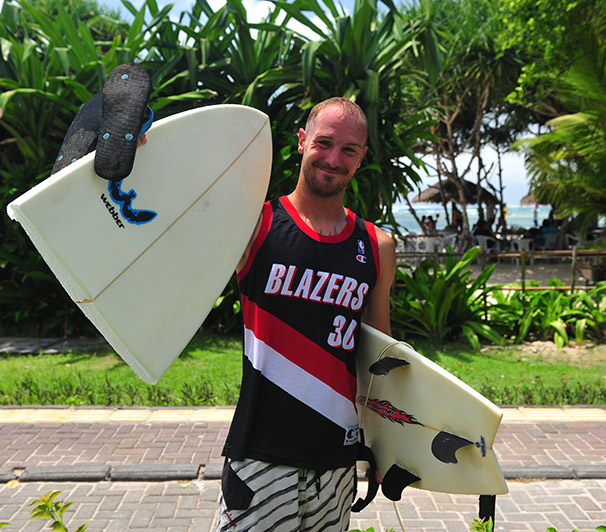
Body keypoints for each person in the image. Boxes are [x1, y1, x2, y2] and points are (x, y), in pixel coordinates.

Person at [216, 97, 396, 531]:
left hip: (336, 461)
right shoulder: (255, 224)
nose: (334, 159)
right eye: (325, 143)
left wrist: (385, 449)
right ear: (301, 142)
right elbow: (172, 225)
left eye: (349, 150)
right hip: (259, 456)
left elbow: (380, 363)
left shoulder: (376, 246)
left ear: (361, 158)